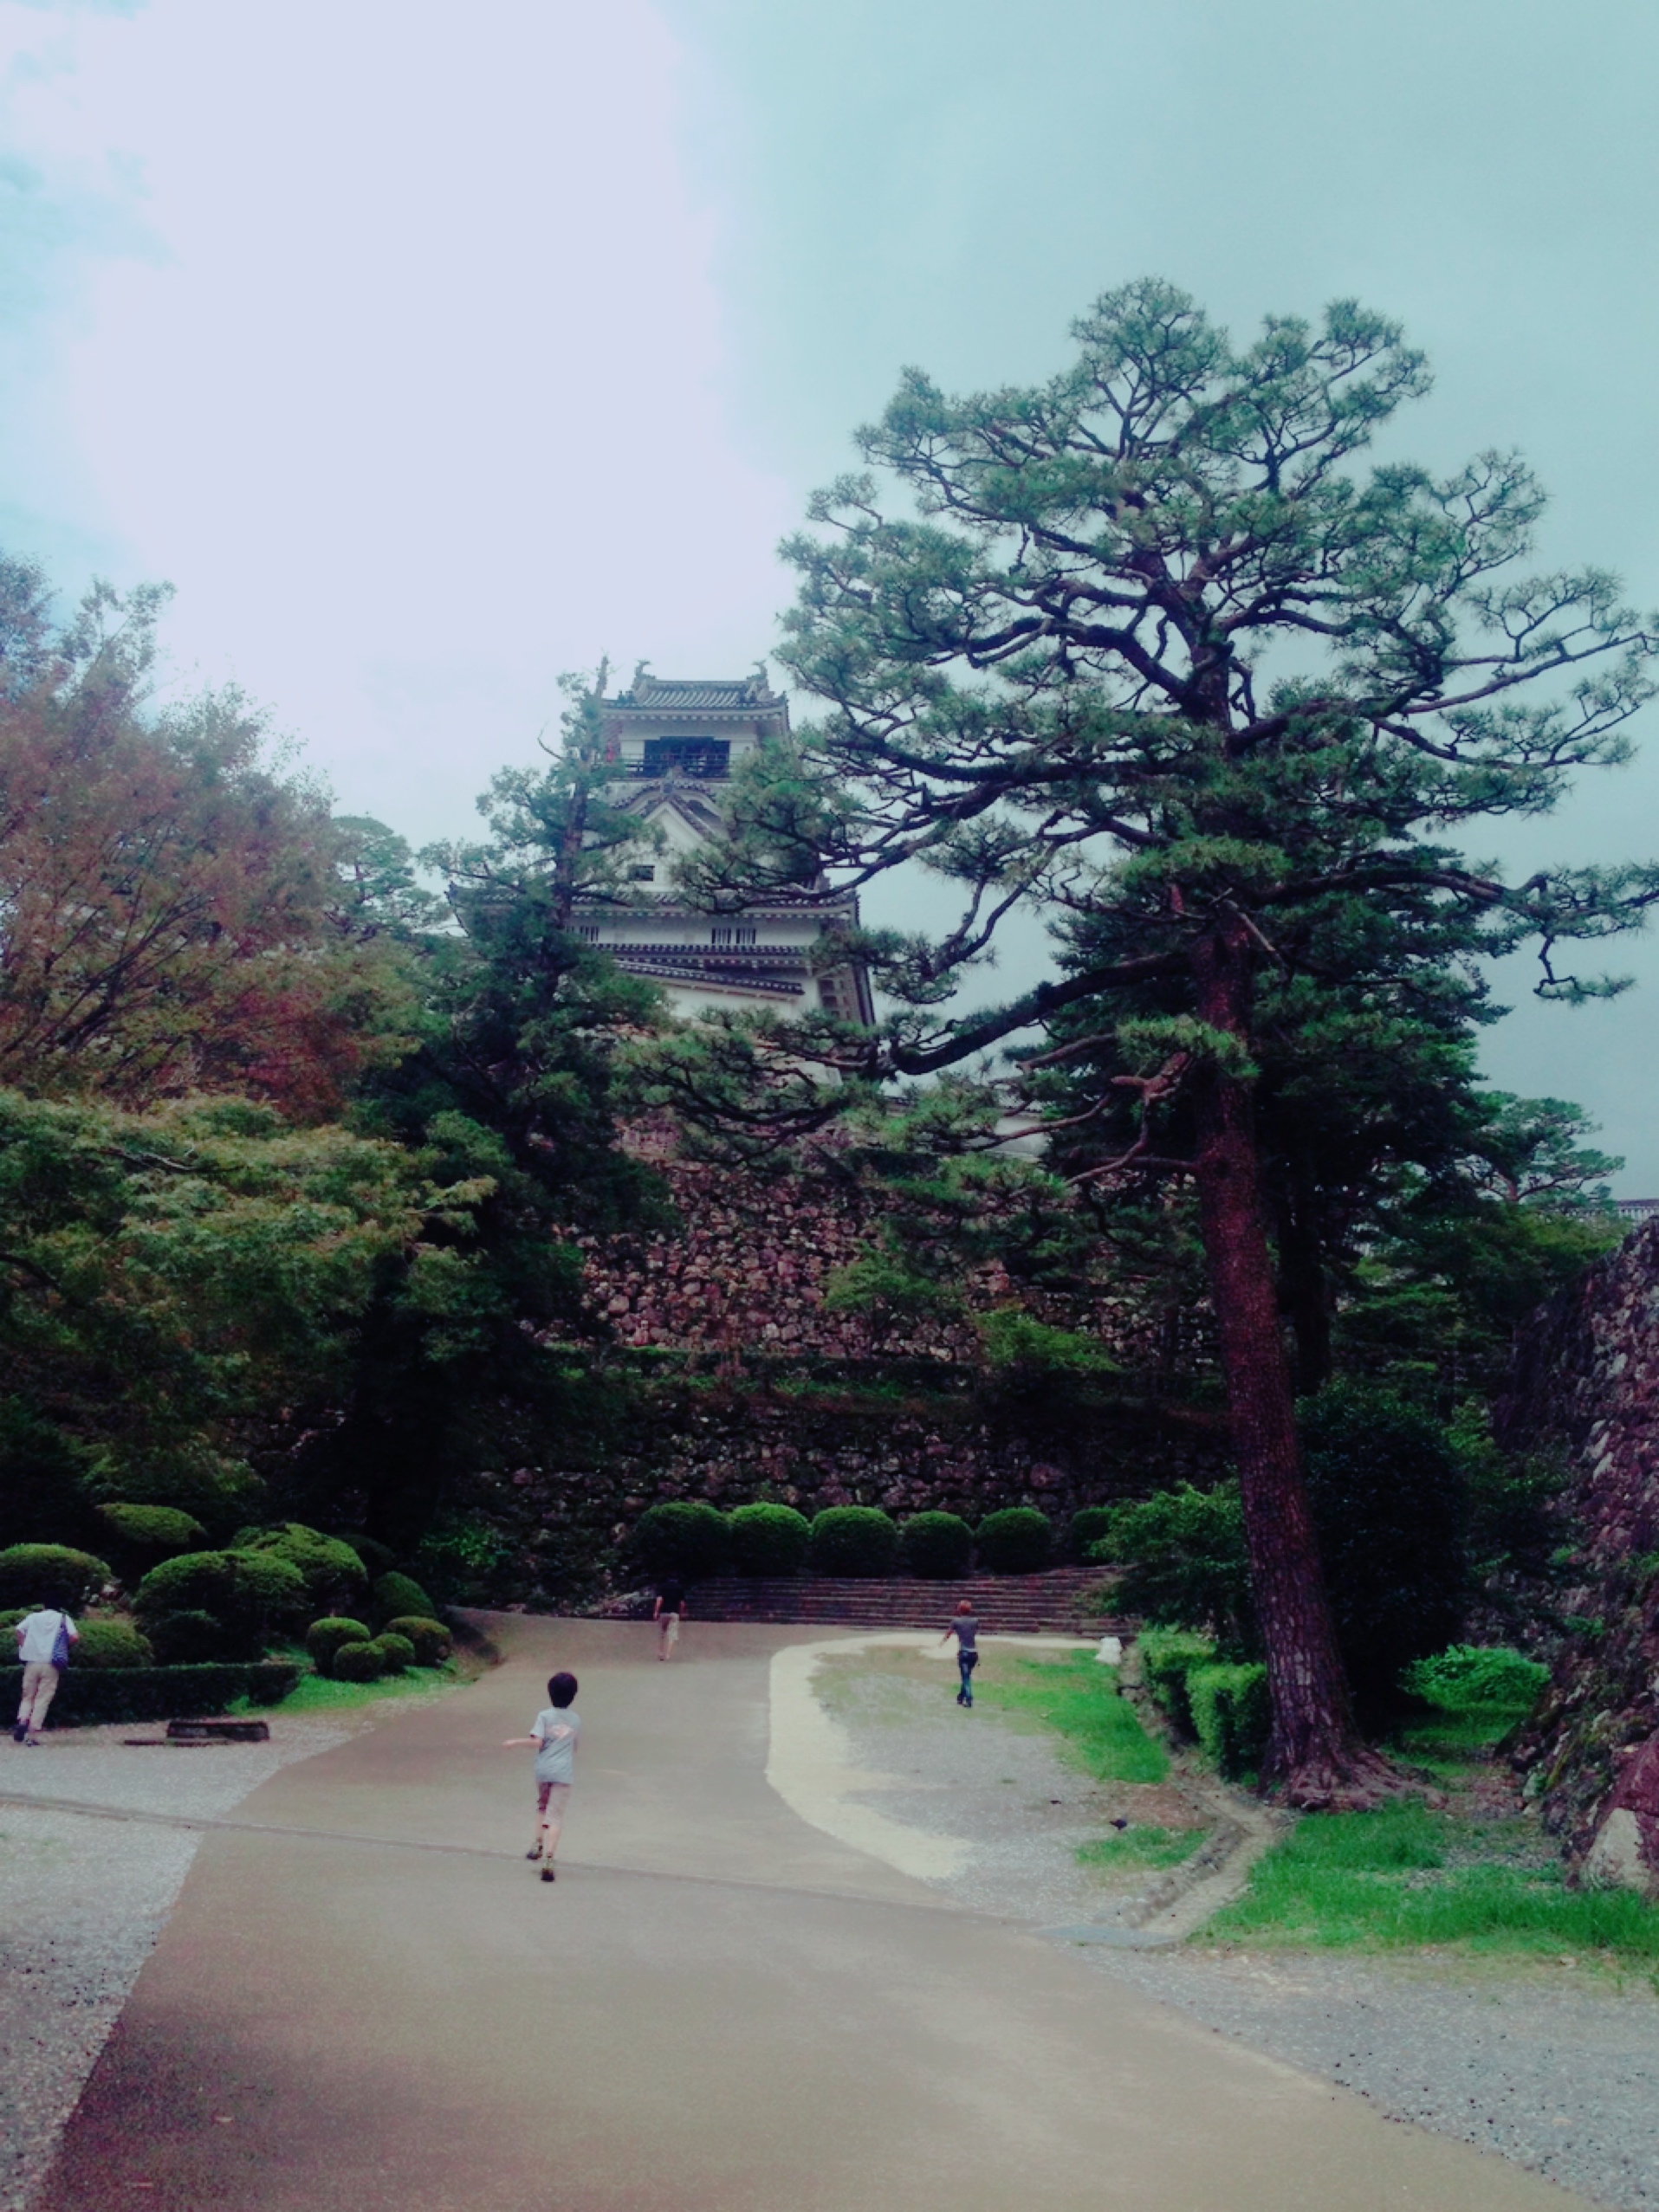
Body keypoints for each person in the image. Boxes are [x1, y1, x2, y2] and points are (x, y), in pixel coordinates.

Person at [502, 1671, 580, 1883]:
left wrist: (515, 1742)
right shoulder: (575, 1720)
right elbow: (574, 1747)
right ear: (573, 1695)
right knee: (555, 1816)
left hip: (543, 1771)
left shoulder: (544, 1716)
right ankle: (549, 1858)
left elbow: (537, 1742)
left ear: (550, 1692)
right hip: (563, 1773)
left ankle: (537, 1843)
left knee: (542, 1806)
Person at [13, 1602, 78, 1743]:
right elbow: (75, 1636)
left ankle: (23, 1720)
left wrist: (23, 1646)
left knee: (27, 1696)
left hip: (32, 1661)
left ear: (44, 1606)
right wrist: (63, 1646)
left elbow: (19, 1630)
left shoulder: (33, 1617)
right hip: (51, 1663)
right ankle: (32, 1735)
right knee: (42, 1698)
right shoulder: (63, 1618)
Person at [941, 1598, 979, 1707]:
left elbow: (948, 1634)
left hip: (964, 1652)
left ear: (959, 1609)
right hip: (974, 1653)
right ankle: (961, 1697)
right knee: (966, 1676)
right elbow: (972, 1634)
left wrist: (942, 1643)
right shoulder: (975, 1621)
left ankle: (969, 1698)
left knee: (965, 1677)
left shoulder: (956, 1621)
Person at [652, 1575, 687, 1660]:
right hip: (674, 1613)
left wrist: (656, 1612)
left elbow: (659, 1600)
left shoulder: (662, 1587)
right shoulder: (679, 1588)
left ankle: (661, 1653)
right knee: (672, 1634)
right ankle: (668, 1654)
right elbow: (682, 1603)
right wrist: (681, 1613)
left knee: (662, 1633)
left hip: (664, 1612)